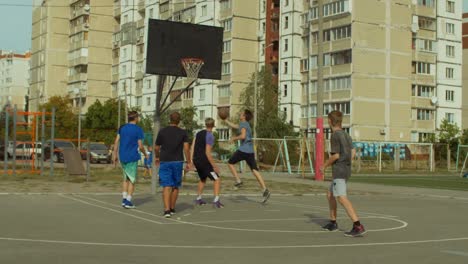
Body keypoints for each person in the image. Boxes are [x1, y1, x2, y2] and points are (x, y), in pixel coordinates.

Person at [320, 110, 366, 237]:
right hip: (345, 169)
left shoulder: (335, 135)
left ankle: (357, 225)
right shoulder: (346, 135)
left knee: (341, 197)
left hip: (339, 170)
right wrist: (347, 163)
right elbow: (353, 151)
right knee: (330, 194)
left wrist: (323, 166)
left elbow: (335, 156)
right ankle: (333, 222)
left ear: (329, 121)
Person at [223, 109, 271, 203]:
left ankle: (238, 181)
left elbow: (243, 136)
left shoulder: (244, 124)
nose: (240, 114)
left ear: (244, 116)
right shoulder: (245, 124)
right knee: (254, 170)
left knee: (230, 163)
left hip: (244, 150)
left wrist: (234, 138)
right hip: (250, 151)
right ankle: (265, 189)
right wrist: (226, 121)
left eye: (241, 113)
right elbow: (235, 126)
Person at [155, 112, 191, 218]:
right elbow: (186, 148)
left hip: (165, 161)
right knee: (175, 185)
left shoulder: (162, 131)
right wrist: (188, 161)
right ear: (179, 121)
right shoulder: (183, 132)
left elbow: (156, 148)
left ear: (169, 120)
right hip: (177, 161)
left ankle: (166, 210)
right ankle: (172, 207)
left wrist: (157, 157)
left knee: (166, 185)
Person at [113, 111, 148, 209]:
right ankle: (128, 201)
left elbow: (116, 142)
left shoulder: (122, 128)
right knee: (132, 179)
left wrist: (114, 155)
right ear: (136, 118)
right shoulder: (138, 130)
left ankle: (124, 199)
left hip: (122, 156)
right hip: (132, 156)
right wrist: (145, 154)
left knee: (125, 178)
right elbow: (140, 146)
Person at [191, 118, 223, 208]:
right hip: (204, 161)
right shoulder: (210, 136)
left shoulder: (198, 133)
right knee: (217, 179)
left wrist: (191, 161)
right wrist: (214, 166)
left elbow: (192, 147)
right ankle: (216, 201)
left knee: (203, 178)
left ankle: (198, 198)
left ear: (205, 124)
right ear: (213, 125)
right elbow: (207, 153)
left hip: (196, 160)